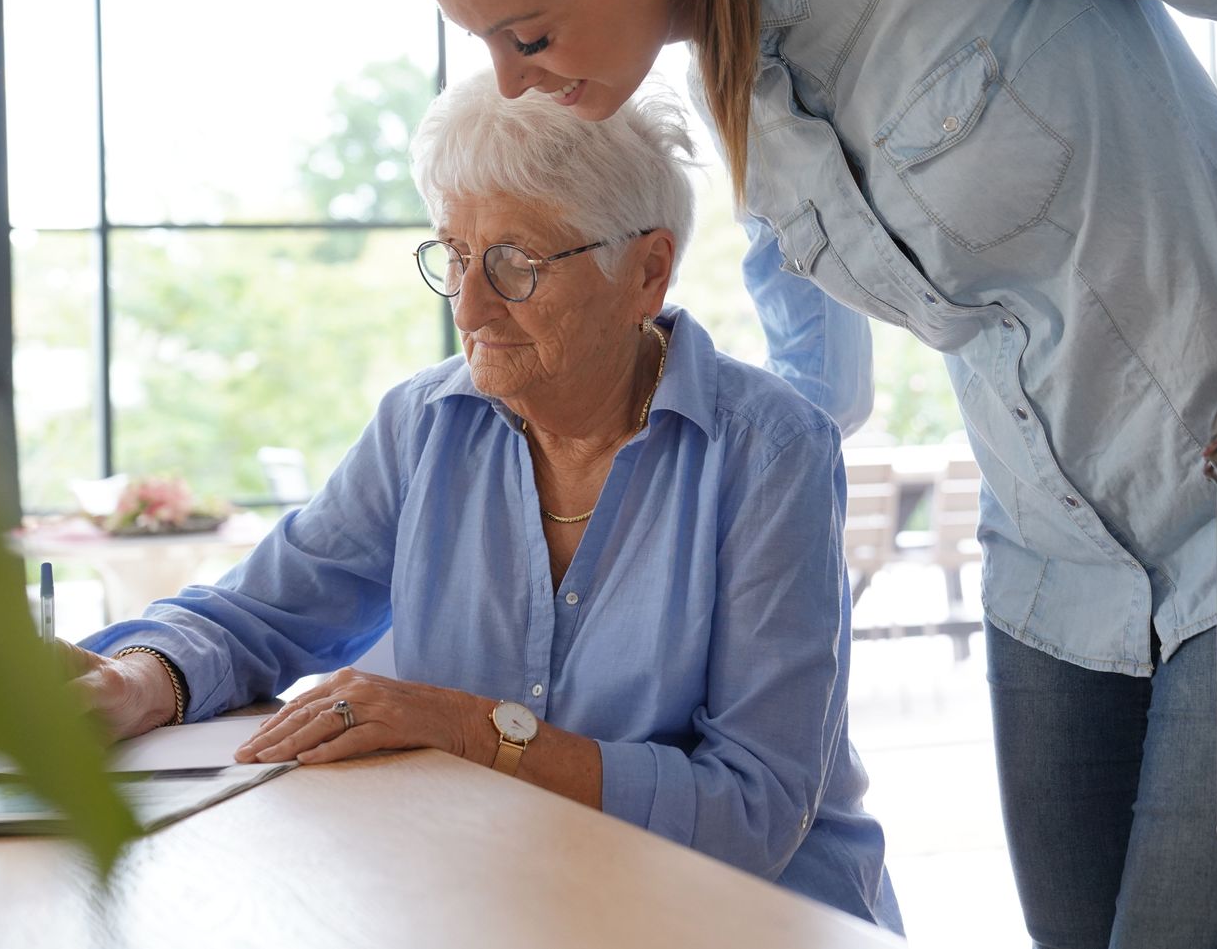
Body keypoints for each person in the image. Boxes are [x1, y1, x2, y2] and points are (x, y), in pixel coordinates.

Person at [392, 0, 1217, 949]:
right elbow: (819, 390)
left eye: (527, 33)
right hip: (1053, 582)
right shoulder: (746, 107)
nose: (512, 78)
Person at [66, 72, 901, 931]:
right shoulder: (424, 424)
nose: (468, 306)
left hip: (750, 918)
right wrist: (138, 680)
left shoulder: (771, 451)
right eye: (455, 256)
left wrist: (475, 732)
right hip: (508, 892)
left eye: (514, 263)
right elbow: (256, 615)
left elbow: (752, 810)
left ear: (647, 272)